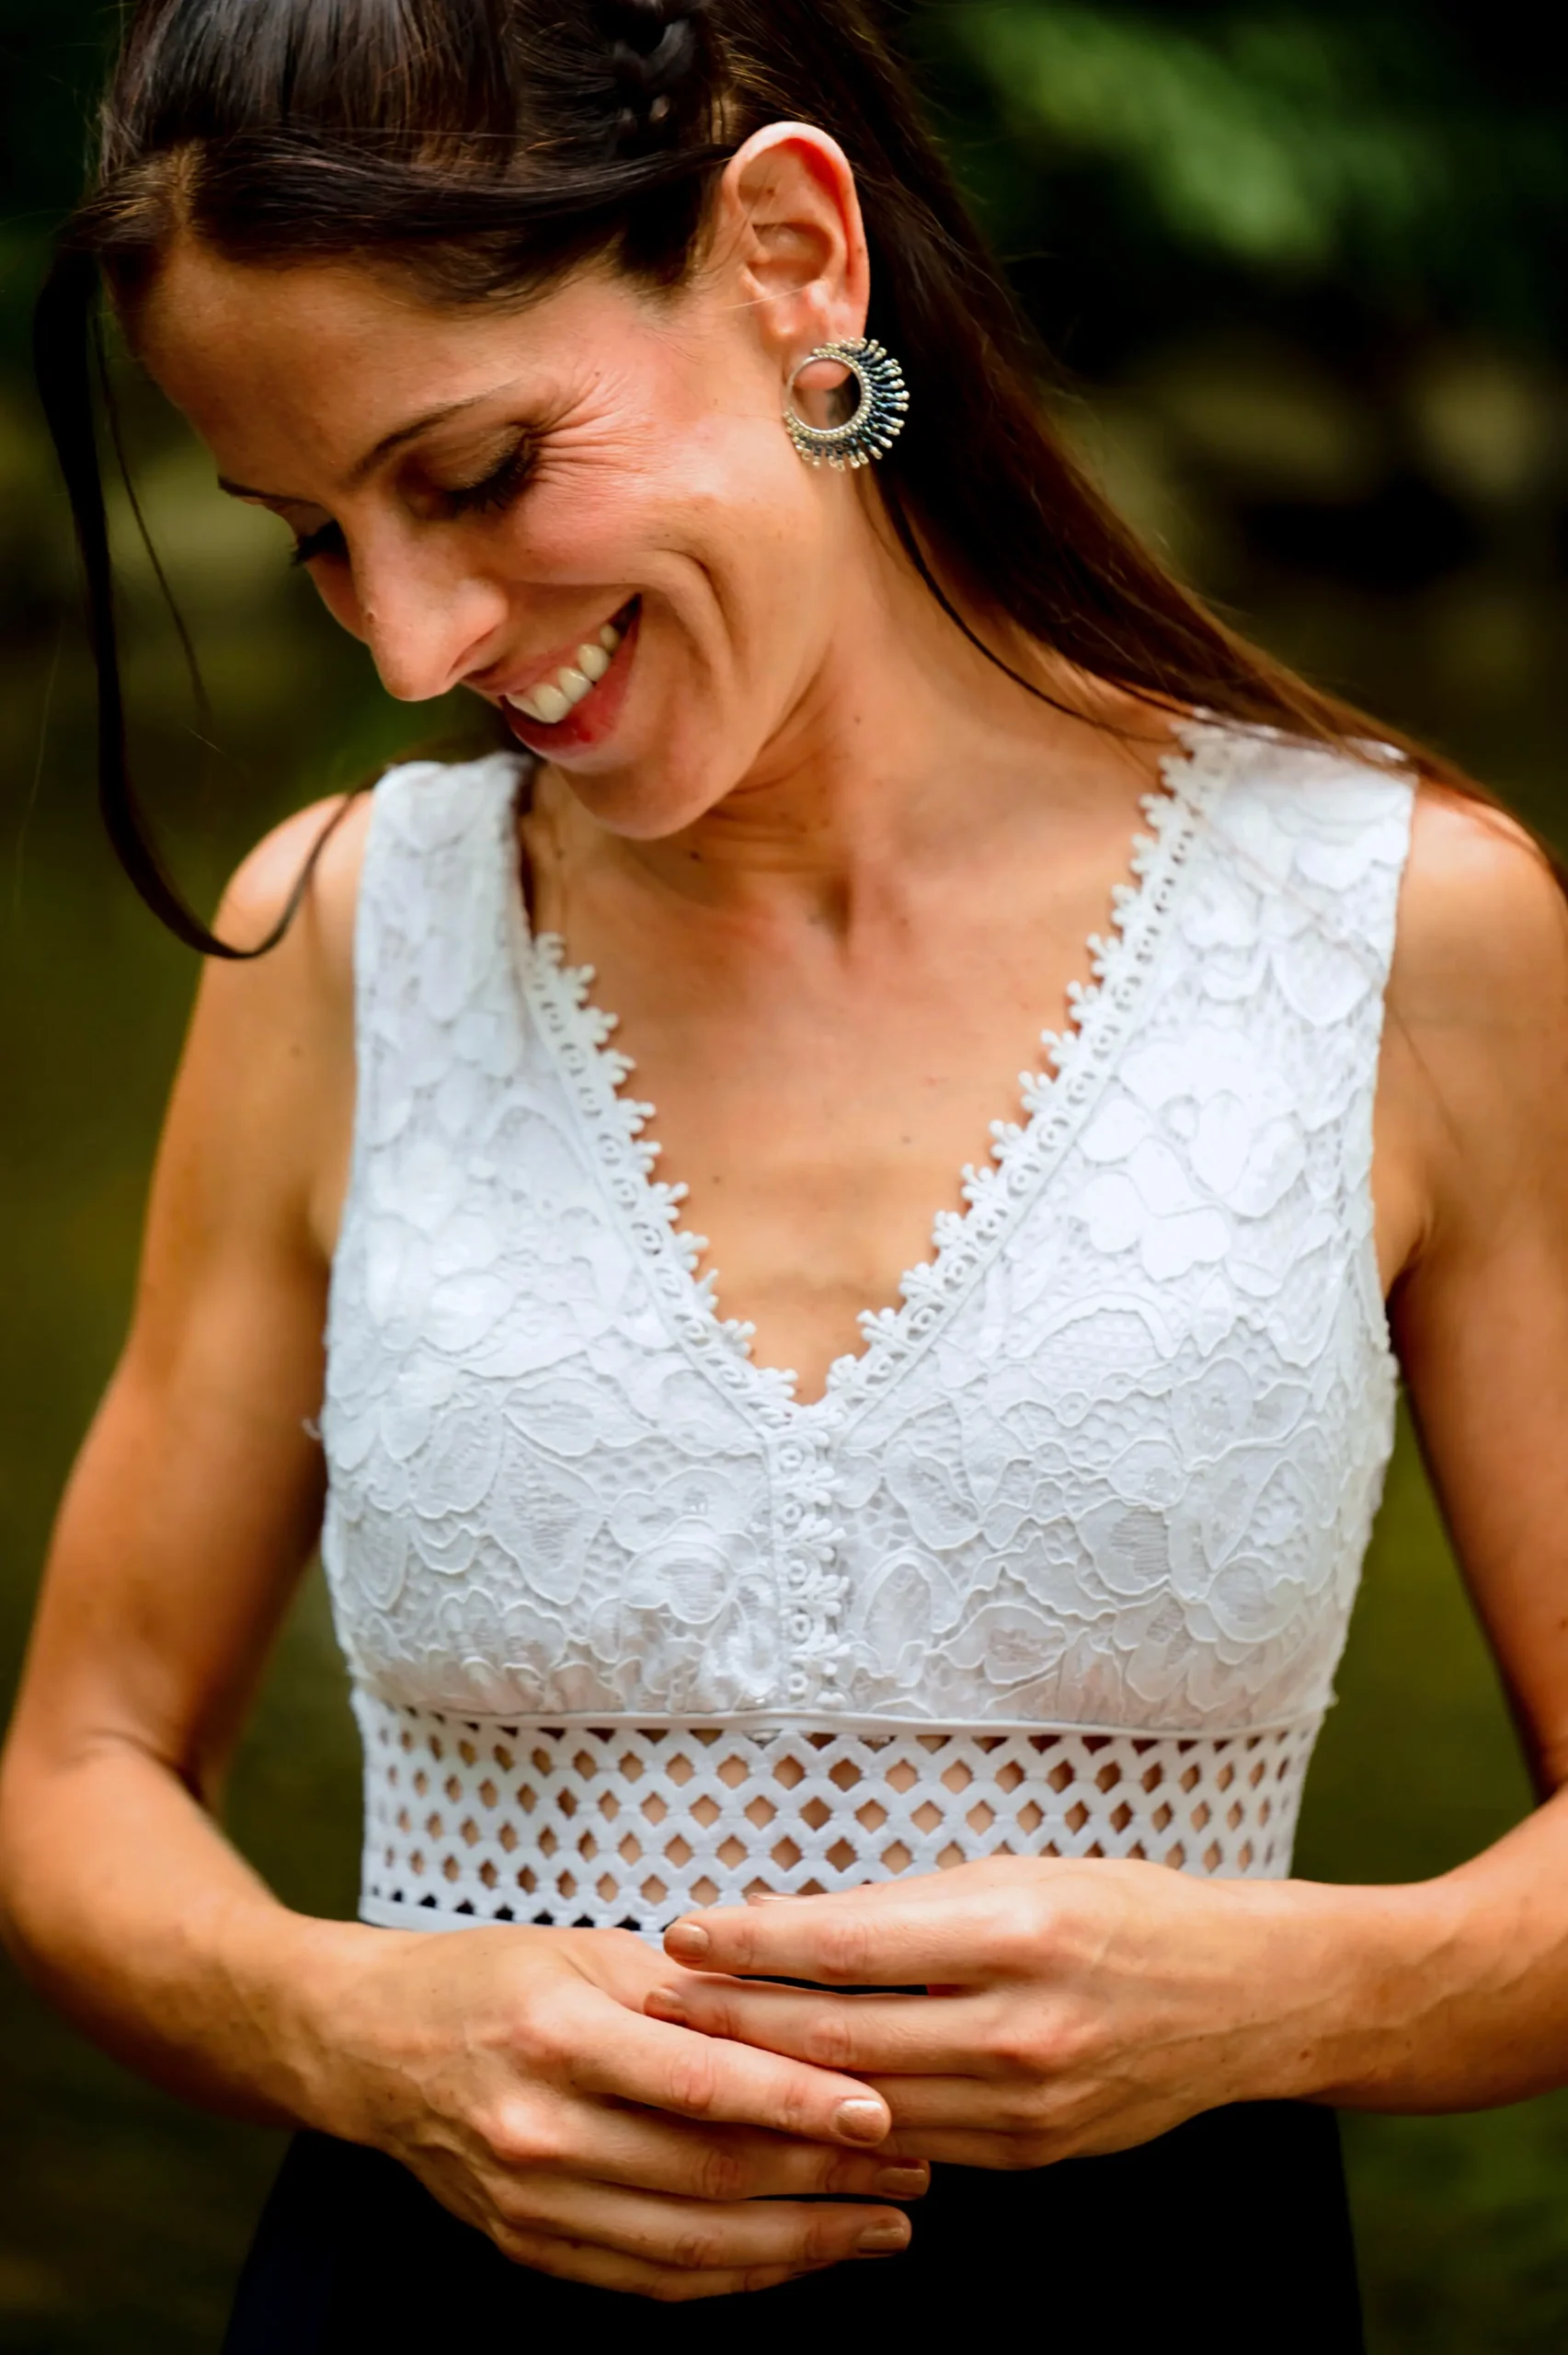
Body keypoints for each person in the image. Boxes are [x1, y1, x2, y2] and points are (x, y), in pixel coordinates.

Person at [5, 0, 1568, 2343]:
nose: (419, 639)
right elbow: (82, 1765)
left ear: (793, 256)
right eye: (317, 538)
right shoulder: (347, 938)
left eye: (481, 467)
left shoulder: (1403, 937)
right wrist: (346, 2028)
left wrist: (1305, 1990)